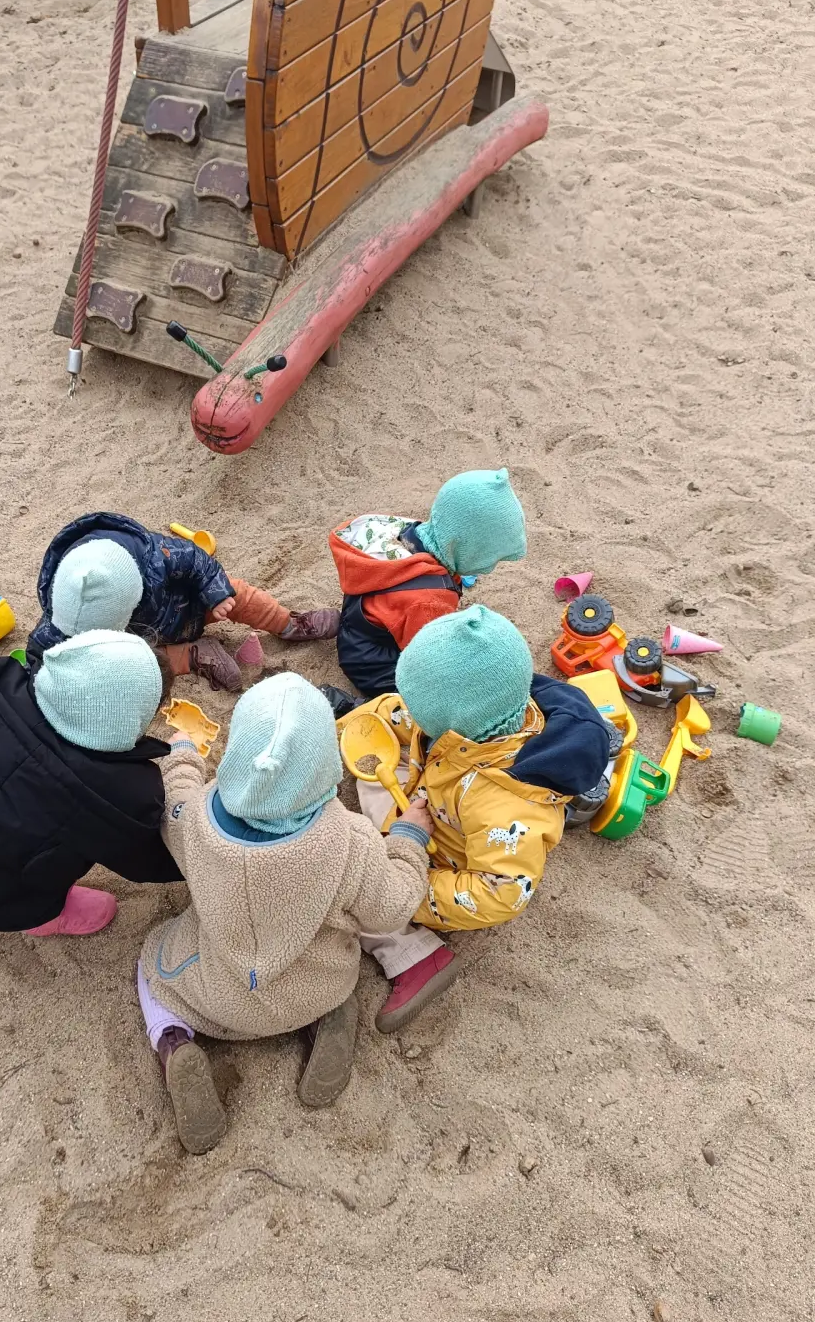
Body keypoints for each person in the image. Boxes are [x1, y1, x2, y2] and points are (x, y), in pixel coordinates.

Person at [137, 672, 432, 1154]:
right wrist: (408, 841)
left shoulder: (194, 819)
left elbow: (176, 795)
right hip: (316, 984)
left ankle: (173, 1041)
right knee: (335, 977)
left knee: (153, 963)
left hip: (215, 997)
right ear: (325, 769)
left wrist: (184, 755)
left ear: (236, 758)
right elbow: (392, 908)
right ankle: (329, 1019)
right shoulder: (350, 841)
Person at [338, 606, 611, 1032]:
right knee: (372, 766)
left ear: (455, 723)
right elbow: (394, 712)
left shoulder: (508, 806)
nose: (408, 708)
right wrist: (344, 724)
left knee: (359, 899)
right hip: (433, 798)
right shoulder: (479, 706)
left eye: (418, 705)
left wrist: (413, 888)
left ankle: (415, 959)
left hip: (447, 862)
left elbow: (501, 893)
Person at [0, 631, 181, 936]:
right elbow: (148, 862)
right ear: (132, 722)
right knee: (74, 845)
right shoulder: (123, 791)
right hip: (0, 904)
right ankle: (47, 919)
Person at [26, 512, 340, 691]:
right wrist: (38, 677)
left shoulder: (156, 557)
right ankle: (195, 655)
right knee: (142, 664)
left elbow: (197, 559)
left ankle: (288, 624)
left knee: (238, 592)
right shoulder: (64, 614)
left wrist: (215, 592)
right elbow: (41, 652)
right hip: (149, 640)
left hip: (190, 608)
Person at [327, 469, 527, 701]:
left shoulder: (403, 533)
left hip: (358, 629)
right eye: (489, 558)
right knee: (440, 693)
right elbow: (428, 659)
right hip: (372, 666)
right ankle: (359, 704)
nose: (490, 567)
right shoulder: (429, 600)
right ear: (467, 549)